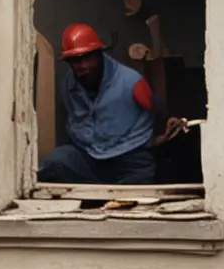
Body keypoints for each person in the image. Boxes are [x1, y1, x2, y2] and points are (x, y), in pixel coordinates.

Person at [38, 22, 182, 185]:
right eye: (76, 61)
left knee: (143, 177)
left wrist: (161, 136)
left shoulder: (131, 82)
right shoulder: (68, 85)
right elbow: (73, 120)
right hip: (90, 158)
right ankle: (96, 196)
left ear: (99, 54)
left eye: (88, 58)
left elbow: (156, 112)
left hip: (129, 158)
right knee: (55, 163)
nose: (83, 66)